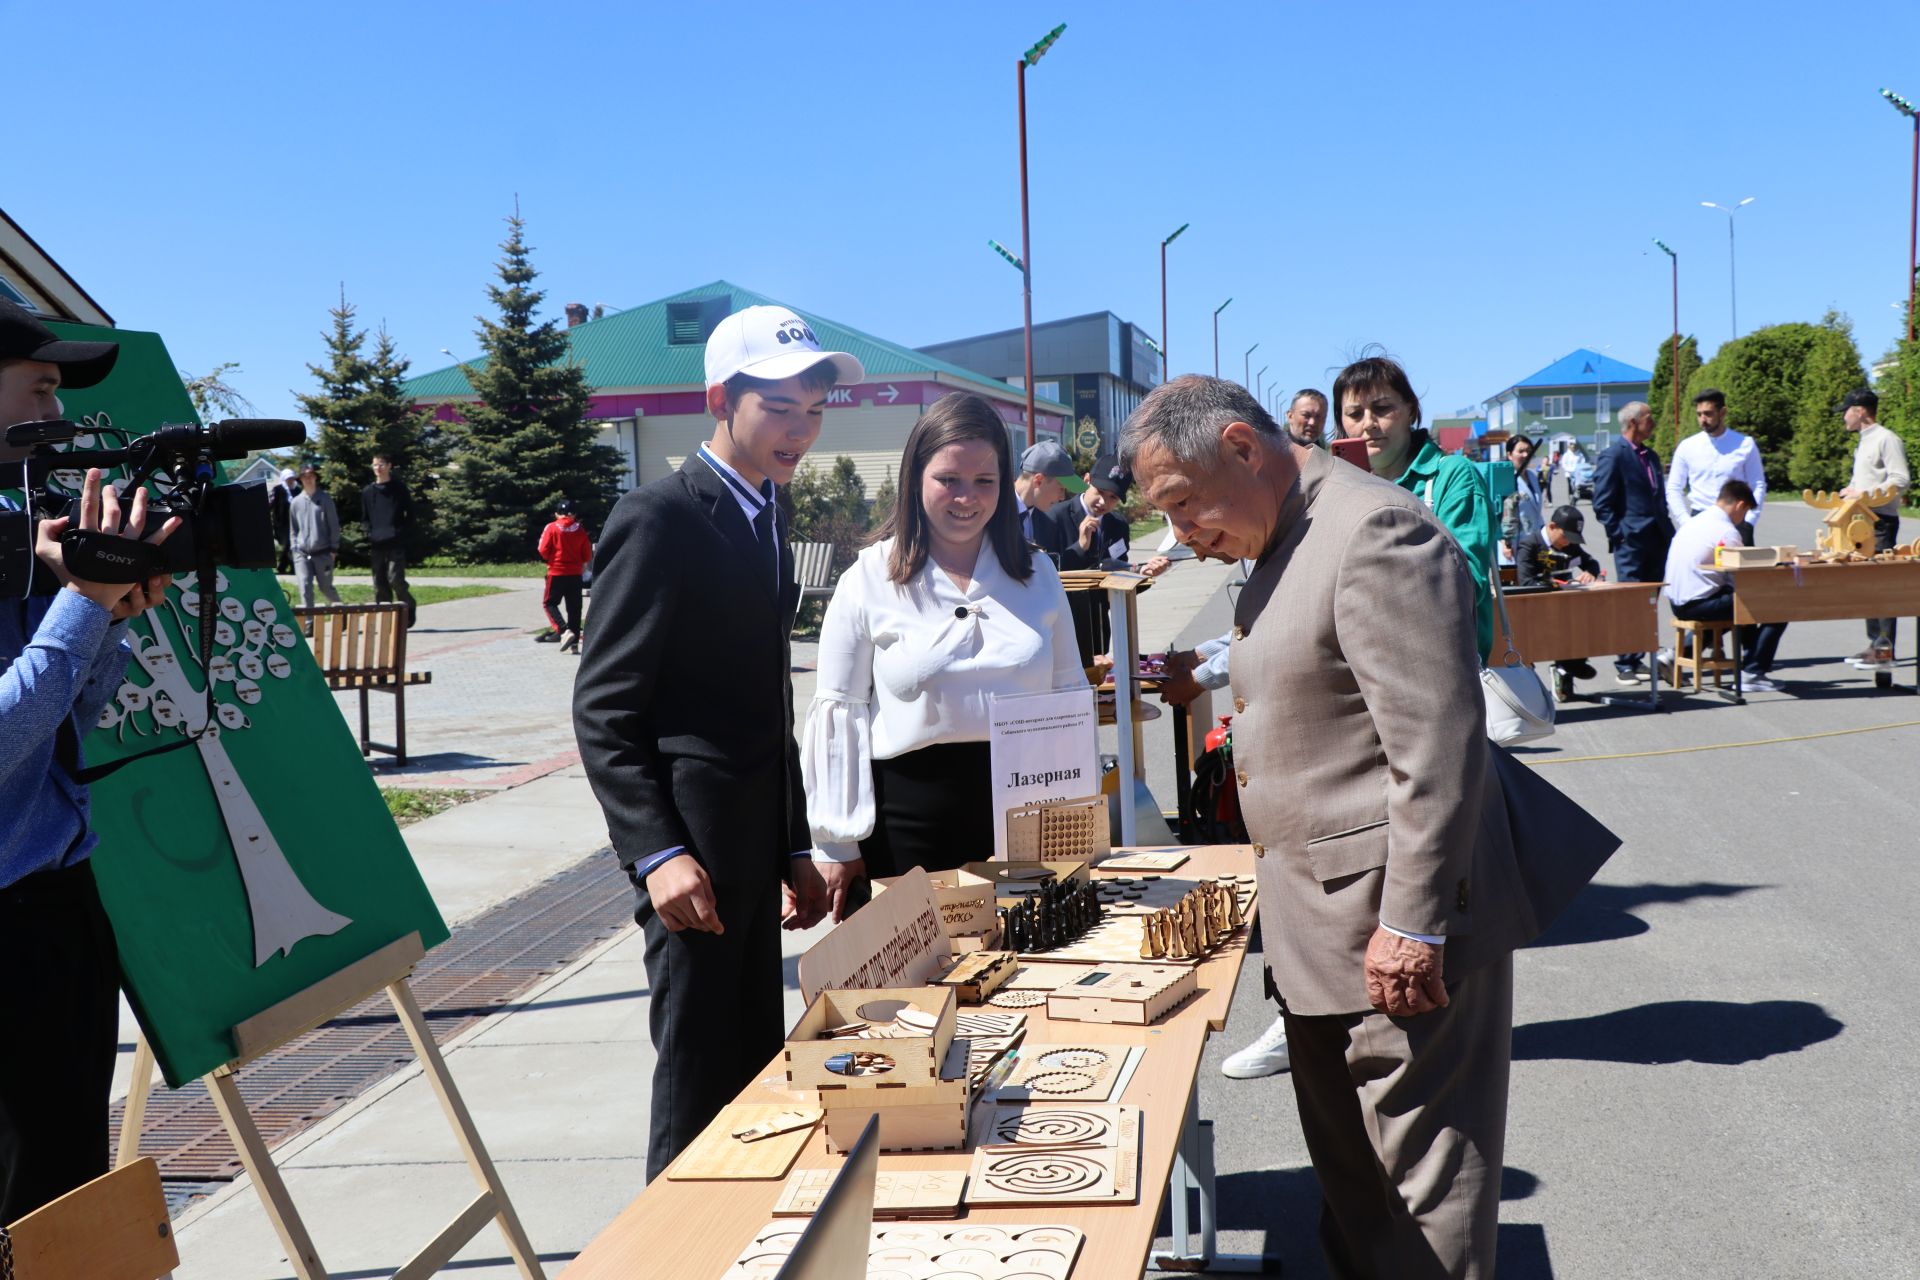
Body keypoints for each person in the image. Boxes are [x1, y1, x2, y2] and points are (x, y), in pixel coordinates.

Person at [1123, 373, 1558, 1279]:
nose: (1180, 534)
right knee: (1359, 1194)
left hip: (1394, 937)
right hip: (1322, 934)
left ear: (1243, 449)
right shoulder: (1288, 532)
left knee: (1422, 1207)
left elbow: (1436, 749)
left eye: (1181, 503)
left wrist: (1411, 923)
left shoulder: (1372, 532)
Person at [572, 304, 861, 1180]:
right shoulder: (659, 517)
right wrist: (657, 852)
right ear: (718, 401)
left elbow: (767, 696)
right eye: (778, 409)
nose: (799, 431)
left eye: (812, 411)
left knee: (751, 1084)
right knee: (696, 1090)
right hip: (689, 860)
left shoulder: (766, 511)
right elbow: (604, 707)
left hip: (747, 852)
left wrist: (790, 844)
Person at [0, 306, 178, 1223]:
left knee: (65, 1188)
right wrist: (82, 604)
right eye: (36, 376)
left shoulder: (18, 521)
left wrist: (109, 615)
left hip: (58, 904)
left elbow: (74, 711)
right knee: (22, 1208)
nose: (56, 397)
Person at [803, 392, 1086, 888]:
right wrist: (835, 842)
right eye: (948, 480)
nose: (966, 497)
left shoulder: (1038, 572)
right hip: (907, 832)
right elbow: (839, 710)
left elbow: (1069, 698)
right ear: (915, 479)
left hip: (1028, 820)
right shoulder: (869, 577)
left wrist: (1079, 824)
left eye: (984, 481)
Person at [1334, 354, 1495, 660]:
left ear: (1410, 410)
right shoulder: (1339, 488)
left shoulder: (1453, 475)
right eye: (1354, 413)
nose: (1369, 424)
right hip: (1365, 670)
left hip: (1442, 667)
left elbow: (1466, 583)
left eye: (1382, 408)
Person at [1663, 480, 1787, 693]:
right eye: (1745, 511)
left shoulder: (1695, 521)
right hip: (1698, 602)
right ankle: (1752, 672)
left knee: (1738, 603)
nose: (1743, 518)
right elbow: (1738, 577)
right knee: (1776, 607)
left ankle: (1674, 656)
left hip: (1676, 599)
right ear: (1740, 505)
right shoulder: (1727, 531)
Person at [1591, 403, 1674, 683]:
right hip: (1631, 543)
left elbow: (1657, 498)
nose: (1654, 423)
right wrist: (1620, 535)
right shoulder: (1613, 456)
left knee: (1649, 602)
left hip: (1657, 540)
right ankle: (1625, 663)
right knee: (1629, 603)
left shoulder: (1650, 456)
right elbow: (1602, 503)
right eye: (1649, 418)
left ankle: (1638, 656)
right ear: (1633, 422)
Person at [1837, 388, 1910, 668]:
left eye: (1846, 410)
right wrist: (1854, 491)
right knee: (1868, 586)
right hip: (1861, 521)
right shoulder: (1864, 441)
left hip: (1881, 521)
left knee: (1880, 586)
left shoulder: (1886, 439)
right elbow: (1868, 483)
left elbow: (1900, 479)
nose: (1843, 416)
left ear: (1861, 411)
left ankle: (1884, 651)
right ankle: (1875, 647)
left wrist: (1863, 493)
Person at [1514, 505, 1602, 693]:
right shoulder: (1529, 545)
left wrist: (1589, 572)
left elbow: (1591, 563)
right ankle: (1565, 666)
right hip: (1533, 609)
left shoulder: (1570, 546)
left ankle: (1572, 663)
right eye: (1566, 537)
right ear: (1552, 526)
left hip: (1564, 608)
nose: (1568, 543)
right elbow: (1525, 581)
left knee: (1586, 617)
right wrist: (1552, 584)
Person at [1667, 388, 1765, 545]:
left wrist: (1749, 521)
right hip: (1699, 520)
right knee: (1701, 569)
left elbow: (1757, 484)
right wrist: (1685, 522)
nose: (1703, 419)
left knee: (1740, 569)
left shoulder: (1745, 444)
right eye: (1699, 414)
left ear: (1723, 412)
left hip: (1736, 520)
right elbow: (1673, 488)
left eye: (1708, 413)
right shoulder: (1687, 446)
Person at [362, 453, 417, 628]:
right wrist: (368, 534)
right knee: (379, 583)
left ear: (389, 466)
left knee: (395, 579)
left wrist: (401, 533)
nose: (378, 468)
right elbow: (365, 518)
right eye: (375, 465)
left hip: (395, 541)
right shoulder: (368, 492)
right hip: (377, 542)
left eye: (381, 465)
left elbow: (410, 515)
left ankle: (408, 608)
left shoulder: (399, 489)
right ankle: (386, 617)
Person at [536, 497, 591, 652]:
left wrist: (551, 558)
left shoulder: (551, 528)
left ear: (557, 513)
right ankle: (574, 644)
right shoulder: (579, 529)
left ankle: (563, 631)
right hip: (575, 574)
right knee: (574, 607)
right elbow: (586, 554)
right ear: (573, 514)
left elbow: (542, 549)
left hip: (556, 572)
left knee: (550, 603)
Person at [1013, 439, 1083, 555]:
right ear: (1039, 481)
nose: (1062, 497)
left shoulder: (1048, 523)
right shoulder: (992, 512)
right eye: (1061, 488)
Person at [289, 463, 342, 608]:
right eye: (304, 476)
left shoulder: (325, 500)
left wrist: (333, 549)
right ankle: (309, 624)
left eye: (311, 476)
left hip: (323, 552)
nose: (308, 479)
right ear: (300, 479)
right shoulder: (296, 502)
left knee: (325, 587)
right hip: (302, 553)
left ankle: (341, 613)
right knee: (305, 586)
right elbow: (293, 529)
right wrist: (294, 547)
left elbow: (334, 526)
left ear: (315, 478)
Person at [1499, 434, 1544, 553]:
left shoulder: (1533, 477)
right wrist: (1504, 542)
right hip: (1513, 545)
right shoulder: (1505, 479)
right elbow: (1498, 514)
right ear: (1509, 455)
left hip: (1535, 542)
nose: (1526, 455)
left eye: (1529, 451)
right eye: (1521, 451)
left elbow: (1537, 512)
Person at [268, 467, 295, 574]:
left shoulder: (297, 490)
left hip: (295, 524)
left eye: (292, 478)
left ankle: (284, 568)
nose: (291, 481)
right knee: (288, 544)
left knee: (291, 545)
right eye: (288, 479)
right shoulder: (277, 489)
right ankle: (288, 567)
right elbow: (270, 504)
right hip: (281, 524)